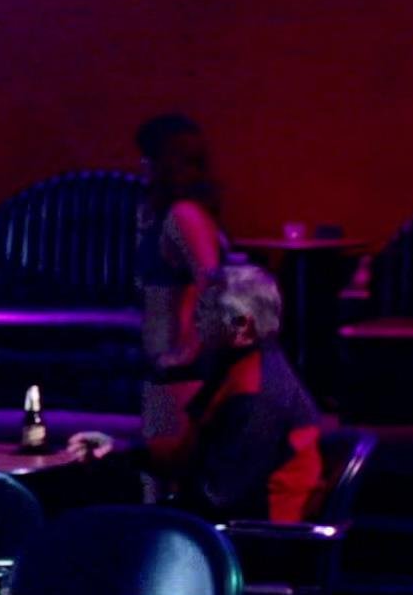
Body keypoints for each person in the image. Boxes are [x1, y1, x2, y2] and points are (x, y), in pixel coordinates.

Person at [147, 265, 323, 523]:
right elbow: (190, 456)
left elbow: (218, 495)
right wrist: (120, 451)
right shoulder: (236, 365)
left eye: (207, 310)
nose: (196, 319)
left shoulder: (256, 395)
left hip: (251, 534)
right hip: (223, 519)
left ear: (243, 326)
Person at [132, 114, 226, 451]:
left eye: (147, 157)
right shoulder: (168, 212)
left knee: (166, 457)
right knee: (159, 456)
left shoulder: (184, 214)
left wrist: (188, 351)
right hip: (164, 359)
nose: (141, 166)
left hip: (179, 364)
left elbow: (212, 280)